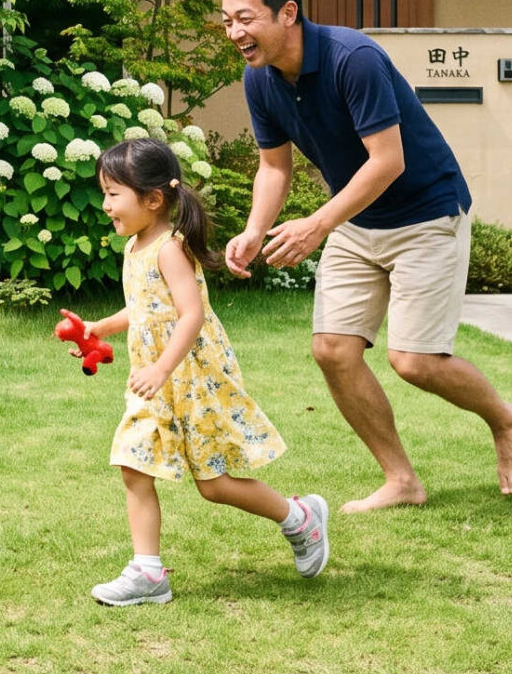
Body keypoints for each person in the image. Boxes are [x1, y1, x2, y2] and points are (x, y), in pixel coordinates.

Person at [217, 0, 512, 513]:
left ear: (287, 12)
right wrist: (253, 229)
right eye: (226, 20)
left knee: (415, 361)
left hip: (426, 213)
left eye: (245, 18)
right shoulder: (259, 80)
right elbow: (274, 166)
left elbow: (388, 160)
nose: (234, 32)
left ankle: (505, 419)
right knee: (333, 350)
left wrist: (318, 224)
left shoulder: (353, 59)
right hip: (358, 219)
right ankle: (401, 480)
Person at [75, 137, 331, 607]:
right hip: (154, 383)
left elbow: (190, 314)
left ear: (153, 200)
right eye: (104, 193)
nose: (105, 204)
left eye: (113, 193)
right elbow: (144, 307)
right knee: (133, 463)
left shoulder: (170, 249)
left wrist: (161, 367)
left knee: (214, 485)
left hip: (191, 378)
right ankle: (147, 572)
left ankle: (300, 519)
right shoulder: (134, 246)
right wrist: (100, 328)